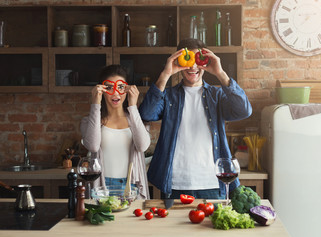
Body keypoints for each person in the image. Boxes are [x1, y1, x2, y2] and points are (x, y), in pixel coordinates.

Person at [139, 38, 252, 199]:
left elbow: (244, 111)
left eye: (198, 60)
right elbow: (147, 114)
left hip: (213, 181)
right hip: (175, 183)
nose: (192, 66)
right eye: (187, 60)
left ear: (205, 63)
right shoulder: (169, 96)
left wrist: (220, 73)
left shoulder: (217, 95)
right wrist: (166, 74)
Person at [80, 64, 150, 199]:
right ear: (102, 90)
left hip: (131, 184)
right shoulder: (89, 122)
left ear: (127, 89)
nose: (116, 93)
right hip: (102, 185)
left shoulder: (135, 119)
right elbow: (93, 146)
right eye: (110, 88)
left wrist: (133, 106)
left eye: (121, 87)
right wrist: (95, 103)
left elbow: (142, 146)